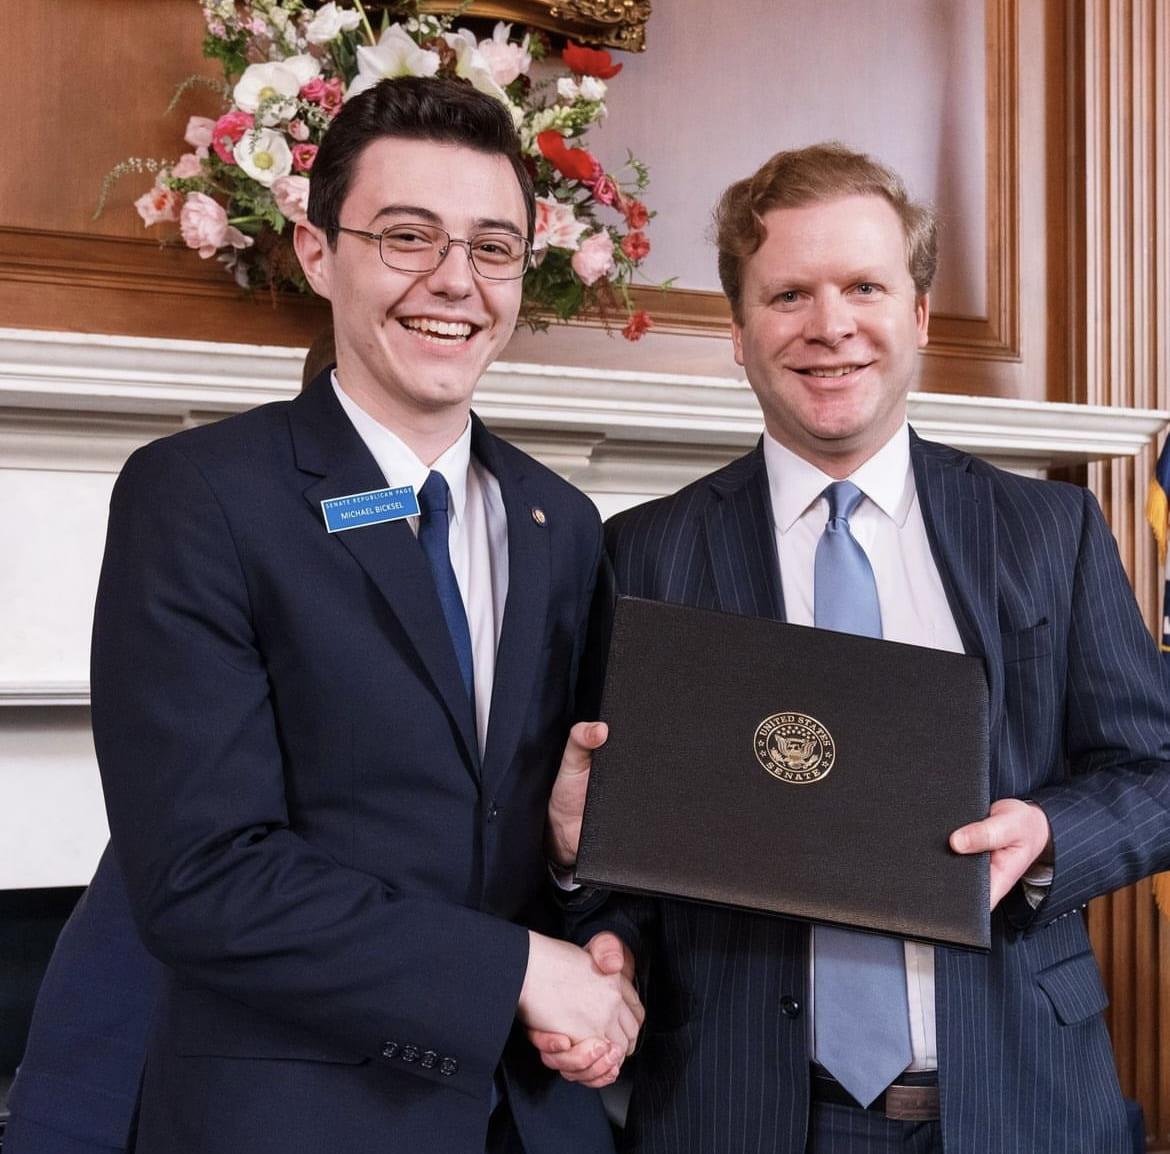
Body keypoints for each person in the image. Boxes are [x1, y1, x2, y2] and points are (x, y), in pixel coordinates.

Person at [8, 75, 644, 1154]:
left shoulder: (563, 521)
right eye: (408, 236)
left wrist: (591, 904)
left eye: (492, 247)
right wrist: (520, 972)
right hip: (287, 1113)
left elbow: (541, 829)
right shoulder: (199, 495)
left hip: (525, 1119)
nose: (455, 281)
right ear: (317, 252)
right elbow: (205, 872)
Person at [535, 143, 1170, 1154]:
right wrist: (596, 926)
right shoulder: (643, 555)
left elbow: (1160, 771)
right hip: (743, 1110)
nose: (830, 325)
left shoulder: (1051, 533)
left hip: (1024, 1101)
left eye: (863, 286)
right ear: (739, 334)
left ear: (917, 314)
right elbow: (621, 848)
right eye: (788, 294)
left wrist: (1048, 838)